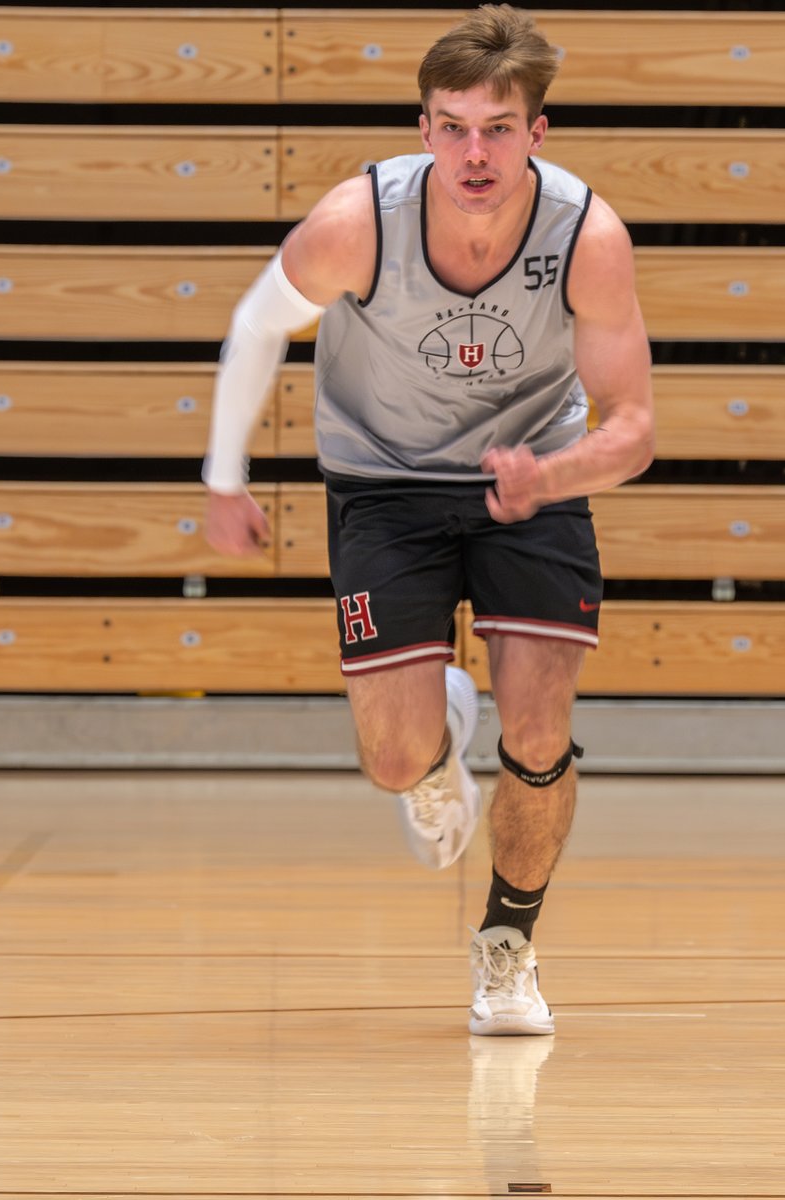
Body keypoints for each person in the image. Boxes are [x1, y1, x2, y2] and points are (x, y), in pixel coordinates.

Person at [203, 4, 655, 1036]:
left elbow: (632, 429)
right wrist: (227, 479)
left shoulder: (588, 238)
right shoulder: (358, 223)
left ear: (538, 133)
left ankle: (508, 948)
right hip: (387, 478)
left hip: (531, 480)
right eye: (453, 126)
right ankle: (437, 738)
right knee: (393, 757)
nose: (474, 152)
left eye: (498, 127)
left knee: (540, 733)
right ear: (423, 127)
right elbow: (257, 320)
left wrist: (555, 471)